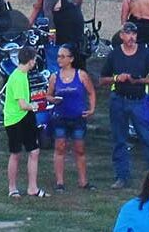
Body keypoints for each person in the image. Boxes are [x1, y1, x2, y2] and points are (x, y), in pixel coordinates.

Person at [99, 22, 149, 189]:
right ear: (121, 36)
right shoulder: (114, 55)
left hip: (139, 100)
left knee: (148, 138)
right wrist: (116, 78)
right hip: (118, 100)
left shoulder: (145, 54)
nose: (131, 37)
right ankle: (122, 176)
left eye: (133, 34)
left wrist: (139, 80)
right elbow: (102, 79)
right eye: (127, 34)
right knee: (119, 139)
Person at [47, 44, 96, 192]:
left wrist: (92, 109)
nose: (59, 59)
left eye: (63, 56)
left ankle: (83, 181)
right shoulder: (54, 77)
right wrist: (53, 100)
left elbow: (91, 92)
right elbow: (48, 95)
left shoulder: (81, 75)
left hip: (78, 118)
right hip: (60, 117)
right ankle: (60, 182)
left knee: (80, 149)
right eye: (58, 56)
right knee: (60, 148)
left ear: (71, 59)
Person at [3, 47, 46, 198]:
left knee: (33, 151)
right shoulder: (19, 77)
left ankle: (32, 188)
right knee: (16, 153)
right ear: (31, 61)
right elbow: (22, 104)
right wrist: (34, 106)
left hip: (24, 117)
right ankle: (13, 188)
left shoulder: (19, 75)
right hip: (16, 119)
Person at [40, 0, 87, 66]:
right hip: (61, 40)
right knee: (57, 66)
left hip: (74, 37)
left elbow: (77, 4)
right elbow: (47, 12)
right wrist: (52, 31)